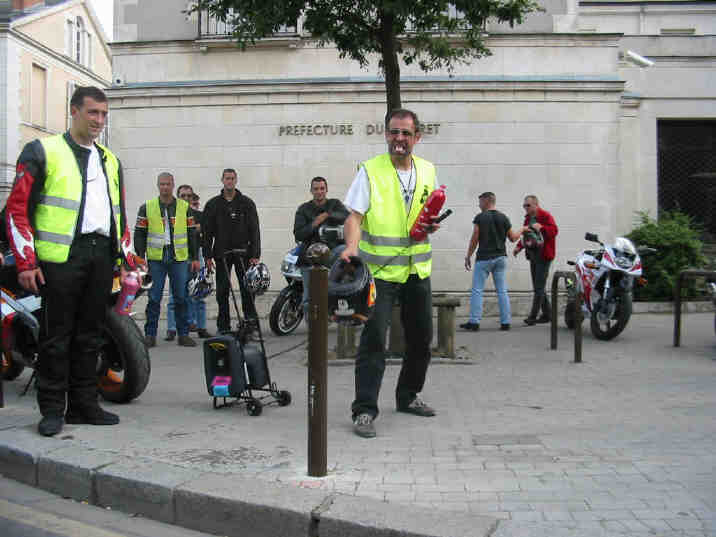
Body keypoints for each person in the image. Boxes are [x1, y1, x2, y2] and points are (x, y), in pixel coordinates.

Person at [4, 86, 131, 437]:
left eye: (103, 114)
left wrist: (124, 257)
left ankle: (83, 405)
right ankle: (51, 410)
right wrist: (26, 262)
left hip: (100, 255)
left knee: (91, 335)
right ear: (74, 111)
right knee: (55, 338)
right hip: (59, 259)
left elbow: (118, 212)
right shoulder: (42, 151)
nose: (99, 121)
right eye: (93, 113)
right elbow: (17, 210)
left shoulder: (110, 160)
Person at [341, 108, 442, 439]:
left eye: (406, 133)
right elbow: (354, 217)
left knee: (422, 339)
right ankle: (364, 410)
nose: (399, 138)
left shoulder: (428, 170)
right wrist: (351, 247)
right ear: (386, 134)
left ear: (417, 137)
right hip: (380, 273)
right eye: (394, 132)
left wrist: (431, 225)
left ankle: (408, 395)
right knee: (373, 340)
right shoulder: (370, 171)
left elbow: (425, 213)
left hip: (417, 270)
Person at [134, 173, 199, 348]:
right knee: (154, 298)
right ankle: (150, 335)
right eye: (162, 184)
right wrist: (140, 257)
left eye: (168, 184)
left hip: (179, 258)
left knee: (181, 297)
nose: (165, 187)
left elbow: (192, 233)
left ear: (173, 185)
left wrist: (194, 257)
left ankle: (183, 334)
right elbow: (139, 233)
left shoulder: (184, 207)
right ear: (157, 185)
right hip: (156, 259)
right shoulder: (147, 207)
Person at [203, 168, 261, 334]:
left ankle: (250, 324)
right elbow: (207, 233)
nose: (229, 181)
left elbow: (255, 230)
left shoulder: (247, 203)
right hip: (222, 253)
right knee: (222, 291)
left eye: (232, 178)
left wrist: (255, 254)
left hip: (244, 253)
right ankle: (223, 327)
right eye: (227, 178)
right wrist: (207, 256)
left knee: (247, 289)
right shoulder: (213, 204)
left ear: (236, 180)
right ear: (222, 180)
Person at [461, 192, 523, 332]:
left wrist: (468, 255)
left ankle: (474, 322)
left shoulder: (480, 217)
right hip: (500, 258)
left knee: (477, 290)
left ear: (487, 201)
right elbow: (513, 238)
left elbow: (475, 238)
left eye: (480, 202)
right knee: (502, 290)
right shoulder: (503, 217)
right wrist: (523, 230)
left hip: (484, 258)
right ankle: (505, 322)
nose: (479, 205)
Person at [293, 176, 349, 312]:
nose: (319, 191)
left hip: (331, 254)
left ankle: (340, 286)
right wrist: (314, 223)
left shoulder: (334, 204)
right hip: (309, 257)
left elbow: (346, 216)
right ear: (311, 191)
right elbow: (298, 234)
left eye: (322, 188)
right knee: (308, 298)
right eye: (316, 189)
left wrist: (328, 215)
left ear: (326, 190)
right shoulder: (303, 209)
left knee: (346, 249)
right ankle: (311, 324)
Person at [165, 185, 210, 339]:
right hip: (178, 256)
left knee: (199, 292)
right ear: (178, 197)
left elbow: (205, 234)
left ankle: (201, 327)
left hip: (197, 255)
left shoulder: (200, 215)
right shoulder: (171, 214)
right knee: (175, 294)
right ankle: (172, 329)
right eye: (182, 195)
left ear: (192, 198)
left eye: (189, 196)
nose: (186, 198)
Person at [513, 195, 559, 325]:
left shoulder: (545, 216)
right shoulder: (528, 218)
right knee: (539, 286)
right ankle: (547, 314)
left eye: (528, 205)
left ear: (536, 205)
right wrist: (519, 247)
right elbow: (526, 236)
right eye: (524, 206)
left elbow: (554, 231)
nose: (525, 208)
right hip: (533, 256)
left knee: (538, 287)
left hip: (544, 256)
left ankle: (532, 316)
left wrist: (542, 228)